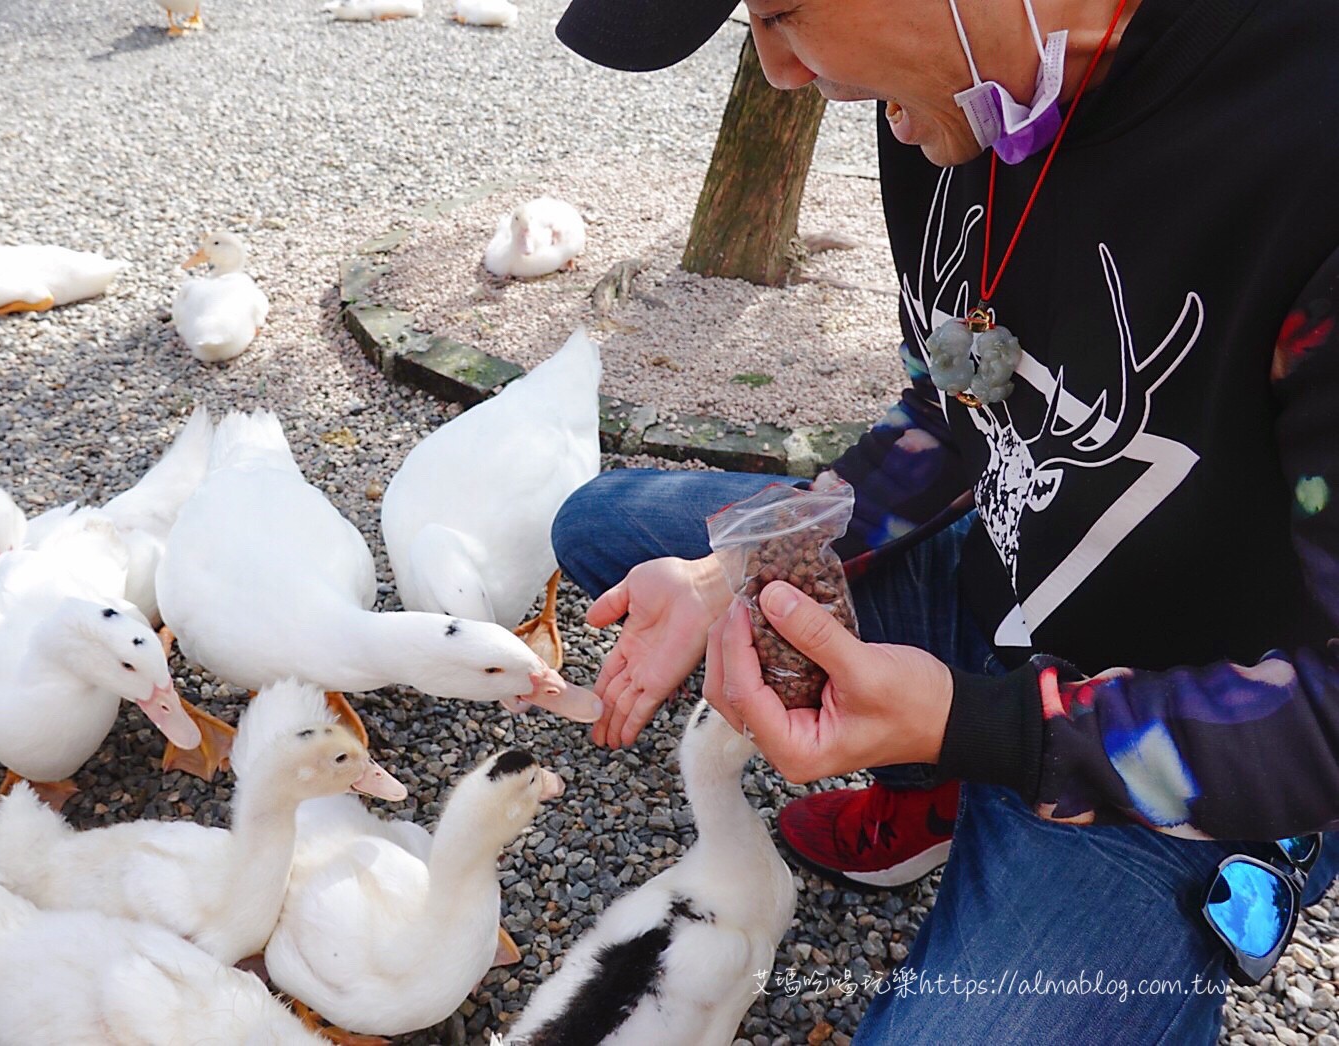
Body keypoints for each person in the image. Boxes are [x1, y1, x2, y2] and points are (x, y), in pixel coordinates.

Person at [549, 0, 1339, 1038]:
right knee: (607, 526)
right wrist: (727, 576)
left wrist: (971, 722)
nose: (780, 73)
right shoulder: (945, 89)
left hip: (1187, 736)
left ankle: (1017, 801)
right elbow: (953, 399)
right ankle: (942, 782)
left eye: (781, 13)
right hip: (1003, 583)